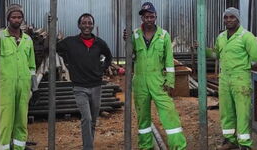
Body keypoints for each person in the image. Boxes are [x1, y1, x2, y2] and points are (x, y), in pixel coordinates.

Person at [124, 2, 187, 149]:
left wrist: (170, 82)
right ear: (142, 18)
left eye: (151, 16)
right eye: (146, 17)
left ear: (156, 17)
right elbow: (130, 54)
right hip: (140, 82)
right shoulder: (134, 35)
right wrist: (126, 40)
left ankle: (178, 146)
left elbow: (169, 61)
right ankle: (146, 146)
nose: (149, 19)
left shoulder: (164, 35)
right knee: (143, 118)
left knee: (169, 113)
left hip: (158, 82)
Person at [207, 7, 257, 150]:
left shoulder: (246, 36)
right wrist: (204, 50)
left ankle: (245, 145)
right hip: (224, 78)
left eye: (232, 17)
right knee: (226, 111)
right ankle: (230, 141)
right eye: (226, 17)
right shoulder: (221, 37)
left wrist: (243, 67)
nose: (229, 20)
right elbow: (216, 55)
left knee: (242, 112)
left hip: (240, 78)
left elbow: (256, 57)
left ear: (238, 19)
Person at [56, 13, 112, 150]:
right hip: (79, 87)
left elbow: (109, 57)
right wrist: (68, 62)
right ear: (79, 25)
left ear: (92, 25)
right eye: (84, 23)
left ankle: (88, 145)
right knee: (86, 118)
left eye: (89, 23)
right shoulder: (70, 42)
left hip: (96, 86)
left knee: (93, 120)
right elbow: (56, 48)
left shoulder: (100, 43)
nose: (87, 25)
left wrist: (102, 69)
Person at [0, 4, 37, 150]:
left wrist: (34, 87)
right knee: (5, 122)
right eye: (13, 17)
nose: (16, 20)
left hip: (23, 87)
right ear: (8, 19)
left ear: (22, 19)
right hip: (6, 87)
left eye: (19, 17)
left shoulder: (28, 40)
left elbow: (32, 66)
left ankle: (19, 148)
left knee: (21, 122)